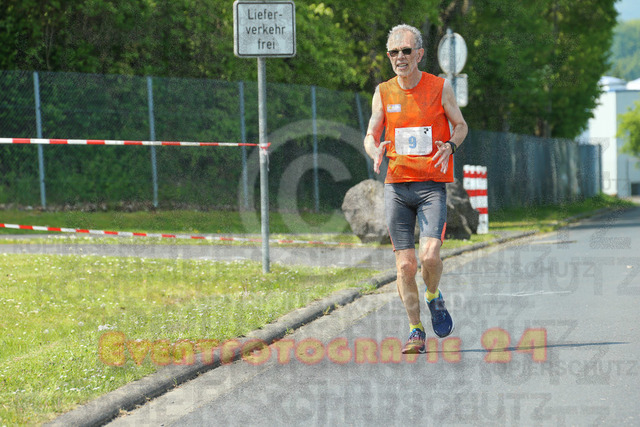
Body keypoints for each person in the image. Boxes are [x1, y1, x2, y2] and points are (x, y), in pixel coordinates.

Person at [363, 24, 468, 354]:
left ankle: (433, 295)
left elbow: (461, 125)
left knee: (429, 256)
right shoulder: (383, 92)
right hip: (397, 187)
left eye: (406, 51)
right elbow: (371, 134)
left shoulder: (439, 87)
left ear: (419, 54)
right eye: (393, 52)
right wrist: (374, 150)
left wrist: (450, 145)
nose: (400, 57)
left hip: (431, 186)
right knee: (406, 266)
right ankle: (415, 330)